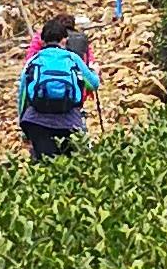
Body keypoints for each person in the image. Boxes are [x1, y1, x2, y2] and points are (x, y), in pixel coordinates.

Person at [18, 12, 103, 162]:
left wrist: (23, 124)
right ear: (65, 40)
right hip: (69, 122)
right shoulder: (73, 58)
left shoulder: (33, 61)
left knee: (42, 166)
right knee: (73, 166)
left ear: (42, 41)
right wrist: (94, 71)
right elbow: (94, 84)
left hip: (36, 122)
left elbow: (23, 95)